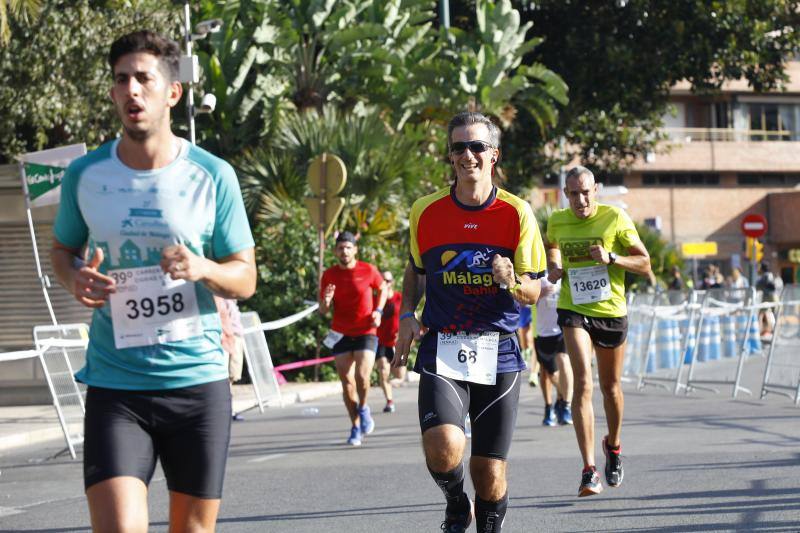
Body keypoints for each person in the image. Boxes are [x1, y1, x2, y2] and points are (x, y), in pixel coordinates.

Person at [49, 30, 256, 532]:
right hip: (116, 387)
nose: (131, 90)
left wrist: (202, 268)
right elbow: (61, 251)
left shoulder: (212, 175)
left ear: (172, 92)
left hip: (197, 386)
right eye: (122, 80)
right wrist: (76, 279)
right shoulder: (85, 175)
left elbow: (245, 278)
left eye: (144, 78)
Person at [393, 111, 545, 532]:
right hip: (443, 344)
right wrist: (408, 312)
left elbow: (533, 290)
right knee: (443, 448)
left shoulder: (517, 213)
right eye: (458, 147)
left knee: (490, 473)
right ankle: (456, 503)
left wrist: (512, 279)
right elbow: (415, 269)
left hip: (499, 350)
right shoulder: (425, 210)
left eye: (477, 146)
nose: (467, 155)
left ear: (494, 154)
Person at [546, 165, 651, 497]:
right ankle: (589, 470)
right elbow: (552, 245)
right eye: (574, 193)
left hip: (610, 311)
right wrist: (554, 264)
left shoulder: (614, 218)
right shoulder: (557, 220)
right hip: (573, 308)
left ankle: (614, 446)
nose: (581, 199)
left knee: (611, 387)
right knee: (583, 383)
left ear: (596, 189)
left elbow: (644, 263)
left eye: (586, 192)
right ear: (566, 194)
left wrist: (612, 257)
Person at [319, 231, 388, 446]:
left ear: (355, 250)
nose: (344, 251)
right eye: (340, 248)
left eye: (348, 247)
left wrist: (378, 310)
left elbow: (382, 288)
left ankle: (364, 407)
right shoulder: (329, 275)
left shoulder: (368, 270)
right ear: (335, 251)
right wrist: (327, 301)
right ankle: (355, 425)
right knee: (347, 383)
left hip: (366, 331)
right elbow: (322, 310)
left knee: (361, 376)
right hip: (340, 333)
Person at [535, 276, 573, 427]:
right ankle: (553, 403)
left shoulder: (565, 269)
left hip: (564, 327)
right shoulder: (537, 271)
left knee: (563, 359)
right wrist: (539, 292)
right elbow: (523, 297)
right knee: (549, 374)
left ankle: (566, 405)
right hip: (542, 331)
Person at [215, 297, 246, 420]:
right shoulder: (223, 300)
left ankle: (229, 408)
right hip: (228, 339)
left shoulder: (232, 301)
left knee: (233, 376)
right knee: (226, 377)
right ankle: (227, 410)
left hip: (237, 337)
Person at [376, 270, 402, 413]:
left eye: (388, 280)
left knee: (399, 376)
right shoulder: (376, 299)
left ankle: (391, 384)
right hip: (381, 342)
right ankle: (389, 401)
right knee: (383, 371)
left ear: (392, 282)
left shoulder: (399, 297)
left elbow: (410, 315)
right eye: (383, 280)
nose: (385, 283)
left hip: (397, 343)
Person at [518, 303, 539, 387]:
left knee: (533, 340)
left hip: (535, 308)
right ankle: (526, 352)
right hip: (522, 307)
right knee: (524, 337)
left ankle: (534, 374)